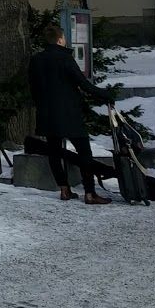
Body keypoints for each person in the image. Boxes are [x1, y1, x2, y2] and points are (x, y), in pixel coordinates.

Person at [28, 23, 114, 204]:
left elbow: (33, 87)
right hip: (69, 112)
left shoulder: (36, 59)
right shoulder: (65, 58)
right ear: (60, 39)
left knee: (54, 151)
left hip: (47, 112)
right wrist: (105, 94)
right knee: (84, 151)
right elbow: (83, 84)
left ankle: (64, 189)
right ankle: (90, 193)